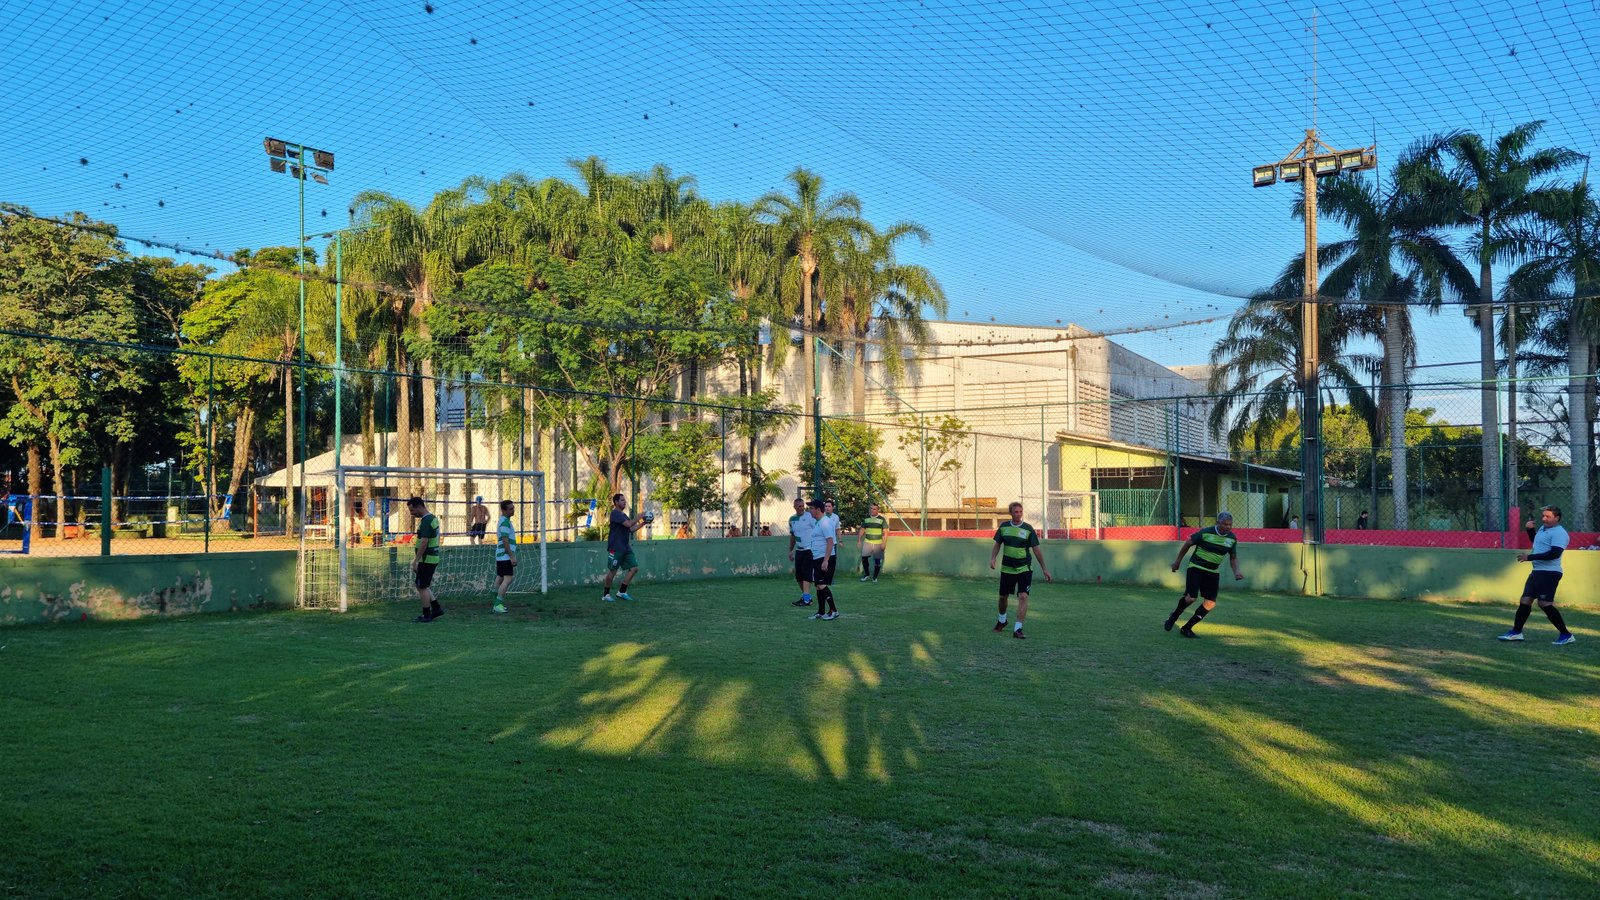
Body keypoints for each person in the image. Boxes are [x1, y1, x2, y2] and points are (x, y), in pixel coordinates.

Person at [1499, 505, 1576, 645]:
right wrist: (1530, 530)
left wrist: (1530, 557)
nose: (1544, 519)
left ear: (1557, 518)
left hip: (1549, 573)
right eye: (1543, 516)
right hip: (1537, 572)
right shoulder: (1543, 529)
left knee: (1544, 603)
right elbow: (1537, 542)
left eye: (1548, 516)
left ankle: (1566, 635)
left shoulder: (1560, 533)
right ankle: (1516, 632)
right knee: (1525, 600)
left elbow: (1554, 554)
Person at [1166, 511, 1244, 638]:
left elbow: (1233, 557)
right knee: (1191, 598)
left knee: (1210, 603)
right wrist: (1177, 562)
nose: (1228, 527)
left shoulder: (1232, 538)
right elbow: (1188, 543)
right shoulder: (1205, 533)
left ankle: (1186, 628)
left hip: (1212, 571)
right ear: (1218, 523)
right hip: (1196, 567)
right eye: (1225, 524)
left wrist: (1237, 572)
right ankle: (1174, 616)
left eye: (1230, 524)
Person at [989, 501, 1052, 639]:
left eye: (1020, 512)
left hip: (1024, 568)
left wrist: (1044, 569)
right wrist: (993, 558)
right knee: (1003, 597)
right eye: (1016, 512)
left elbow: (1036, 549)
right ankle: (1002, 620)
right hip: (1007, 568)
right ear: (1010, 513)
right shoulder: (1004, 527)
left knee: (1023, 596)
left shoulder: (1028, 529)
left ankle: (1018, 629)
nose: (1018, 514)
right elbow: (997, 544)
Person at [602, 493, 650, 602]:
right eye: (622, 500)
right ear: (616, 502)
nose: (625, 502)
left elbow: (631, 529)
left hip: (625, 547)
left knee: (634, 568)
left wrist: (643, 523)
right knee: (613, 571)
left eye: (625, 500)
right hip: (615, 547)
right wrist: (639, 516)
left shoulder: (624, 515)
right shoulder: (615, 513)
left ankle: (622, 592)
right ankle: (606, 595)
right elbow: (629, 524)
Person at [408, 496, 445, 623]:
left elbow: (424, 542)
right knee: (423, 585)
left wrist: (416, 560)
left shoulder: (426, 521)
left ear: (419, 507)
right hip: (431, 558)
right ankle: (436, 608)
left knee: (421, 587)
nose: (411, 513)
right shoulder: (432, 518)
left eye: (412, 510)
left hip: (427, 559)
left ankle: (426, 614)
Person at [804, 498, 840, 620]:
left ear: (818, 509)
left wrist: (825, 560)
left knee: (821, 584)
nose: (809, 511)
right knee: (818, 585)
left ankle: (834, 611)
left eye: (811, 508)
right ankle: (821, 612)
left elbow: (830, 542)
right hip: (818, 557)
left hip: (824, 558)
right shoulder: (818, 522)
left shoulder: (825, 522)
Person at [787, 497, 815, 607]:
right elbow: (793, 536)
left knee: (807, 574)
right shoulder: (792, 519)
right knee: (799, 576)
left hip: (809, 549)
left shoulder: (809, 516)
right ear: (794, 507)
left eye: (803, 506)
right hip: (799, 550)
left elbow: (817, 530)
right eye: (799, 506)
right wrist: (790, 550)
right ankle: (807, 597)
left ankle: (806, 600)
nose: (802, 508)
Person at [492, 500, 517, 613]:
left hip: (501, 555)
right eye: (510, 509)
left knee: (500, 577)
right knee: (508, 578)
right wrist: (511, 556)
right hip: (505, 556)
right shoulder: (505, 522)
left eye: (513, 508)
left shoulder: (504, 521)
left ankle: (495, 601)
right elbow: (505, 540)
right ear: (503, 510)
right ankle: (498, 604)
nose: (513, 510)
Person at [858, 502, 888, 582]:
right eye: (871, 508)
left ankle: (875, 577)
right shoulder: (866, 518)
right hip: (867, 541)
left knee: (877, 560)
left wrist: (884, 543)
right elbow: (862, 530)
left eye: (874, 509)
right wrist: (859, 540)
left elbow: (886, 532)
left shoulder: (882, 519)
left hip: (878, 543)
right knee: (864, 558)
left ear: (878, 510)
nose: (872, 510)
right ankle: (867, 575)